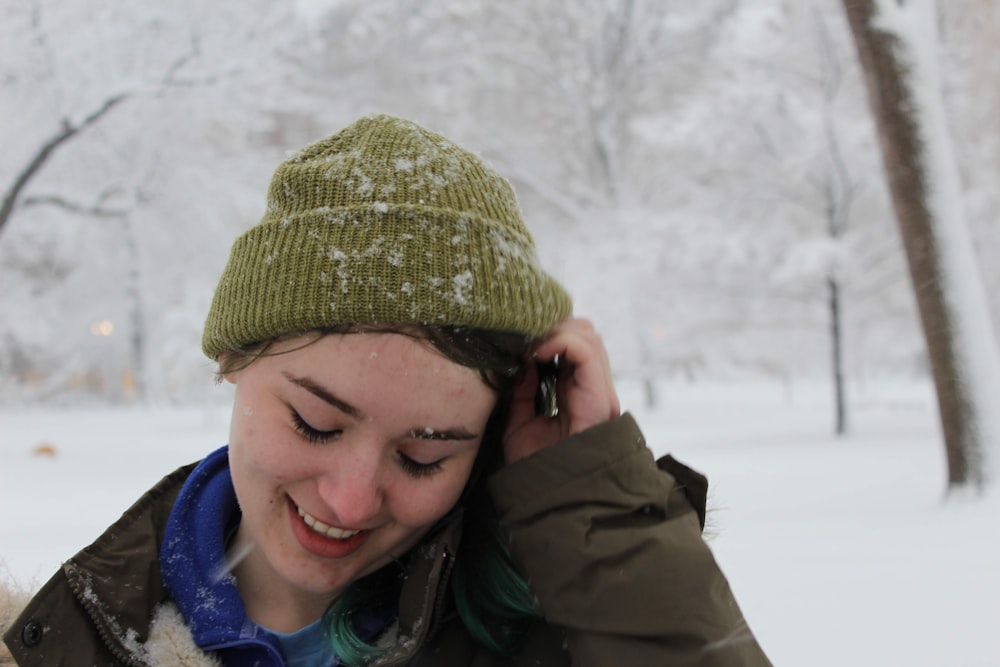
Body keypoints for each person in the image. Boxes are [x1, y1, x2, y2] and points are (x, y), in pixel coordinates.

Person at [1, 115, 772, 666]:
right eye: (314, 423)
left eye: (424, 455)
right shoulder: (70, 635)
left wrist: (594, 495)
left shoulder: (553, 631)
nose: (351, 500)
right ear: (234, 360)